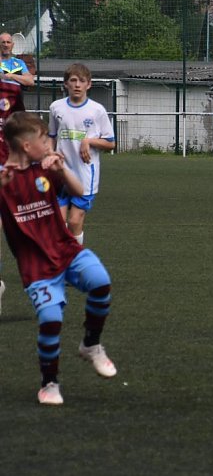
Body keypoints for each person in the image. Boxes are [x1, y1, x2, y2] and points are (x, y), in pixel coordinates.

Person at [0, 112, 116, 405]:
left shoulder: (47, 168)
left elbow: (79, 191)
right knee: (51, 320)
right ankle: (49, 383)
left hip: (66, 250)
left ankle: (91, 344)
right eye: (43, 140)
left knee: (101, 282)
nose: (49, 143)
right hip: (36, 266)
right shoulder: (4, 180)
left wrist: (63, 169)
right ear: (27, 145)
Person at [48, 63, 115, 245]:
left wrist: (89, 141)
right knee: (58, 224)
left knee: (75, 221)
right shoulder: (56, 107)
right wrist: (48, 156)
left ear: (89, 84)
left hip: (84, 175)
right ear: (66, 84)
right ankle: (60, 265)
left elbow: (110, 143)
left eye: (82, 81)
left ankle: (74, 261)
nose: (77, 84)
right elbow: (51, 137)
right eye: (73, 80)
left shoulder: (97, 110)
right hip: (60, 174)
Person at [0, 32, 33, 316]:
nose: (5, 45)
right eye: (2, 42)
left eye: (8, 42)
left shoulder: (17, 66)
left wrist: (9, 77)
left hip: (11, 143)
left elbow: (30, 82)